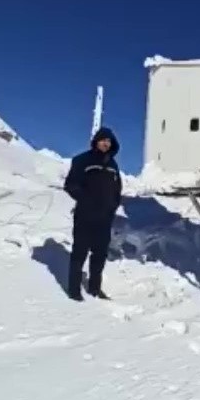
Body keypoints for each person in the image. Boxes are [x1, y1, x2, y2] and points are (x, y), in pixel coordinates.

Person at [64, 127, 122, 301]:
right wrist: (86, 200)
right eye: (102, 140)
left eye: (108, 141)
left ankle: (95, 288)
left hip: (104, 218)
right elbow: (71, 185)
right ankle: (74, 290)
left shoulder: (113, 165)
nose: (105, 143)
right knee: (79, 252)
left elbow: (117, 189)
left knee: (100, 255)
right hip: (85, 215)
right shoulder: (82, 160)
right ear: (96, 141)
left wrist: (113, 206)